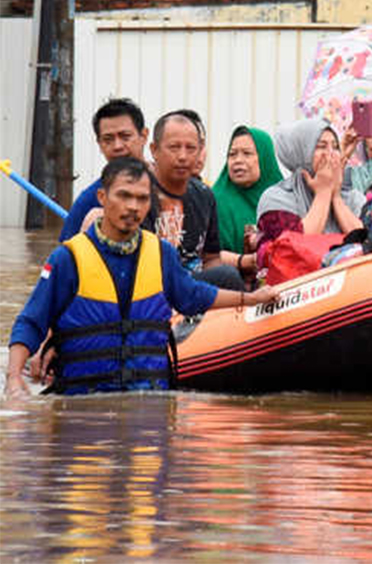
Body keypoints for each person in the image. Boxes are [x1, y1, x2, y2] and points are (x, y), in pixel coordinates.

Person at [5, 158, 279, 399]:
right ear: (102, 197)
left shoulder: (161, 254)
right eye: (123, 196)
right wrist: (14, 378)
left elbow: (194, 295)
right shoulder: (67, 259)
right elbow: (31, 321)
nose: (133, 207)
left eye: (142, 198)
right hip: (82, 402)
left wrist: (251, 298)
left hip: (149, 400)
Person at [149, 111, 244, 291]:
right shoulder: (139, 195)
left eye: (191, 148)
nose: (183, 156)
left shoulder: (204, 194)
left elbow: (211, 258)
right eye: (174, 147)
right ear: (154, 150)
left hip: (194, 290)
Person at [60, 98, 153, 241]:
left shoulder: (171, 185)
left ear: (144, 136)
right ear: (99, 144)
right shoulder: (88, 202)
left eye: (125, 136)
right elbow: (65, 256)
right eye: (108, 139)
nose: (117, 146)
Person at [256, 118, 364, 242]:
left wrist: (336, 197)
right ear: (301, 153)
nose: (330, 154)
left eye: (335, 147)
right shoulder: (276, 198)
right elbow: (295, 245)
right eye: (321, 146)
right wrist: (323, 193)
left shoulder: (353, 197)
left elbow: (366, 241)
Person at [211, 125, 283, 276]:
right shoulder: (215, 200)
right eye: (232, 154)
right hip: (232, 287)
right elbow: (207, 258)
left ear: (264, 158)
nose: (238, 160)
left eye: (247, 154)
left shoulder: (283, 198)